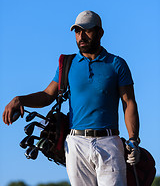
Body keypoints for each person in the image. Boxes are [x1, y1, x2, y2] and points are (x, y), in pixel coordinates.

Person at [3, 10, 140, 186]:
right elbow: (47, 95)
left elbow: (128, 103)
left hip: (109, 143)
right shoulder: (68, 64)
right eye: (77, 31)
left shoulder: (117, 64)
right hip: (76, 144)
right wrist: (19, 99)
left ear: (100, 32)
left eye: (87, 30)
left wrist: (133, 139)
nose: (81, 36)